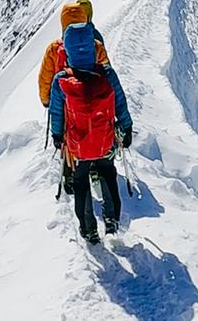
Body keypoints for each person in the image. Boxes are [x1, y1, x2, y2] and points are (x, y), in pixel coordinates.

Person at [49, 21, 133, 244]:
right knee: (108, 174)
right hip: (105, 141)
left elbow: (57, 113)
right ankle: (111, 222)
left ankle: (89, 230)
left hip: (77, 147)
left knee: (80, 183)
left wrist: (57, 136)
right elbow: (120, 104)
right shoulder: (107, 74)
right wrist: (126, 127)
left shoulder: (61, 81)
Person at [37, 0, 106, 107]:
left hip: (65, 104)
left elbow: (45, 79)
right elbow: (106, 71)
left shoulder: (54, 49)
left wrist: (46, 101)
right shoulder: (96, 45)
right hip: (95, 103)